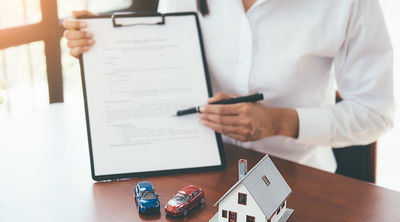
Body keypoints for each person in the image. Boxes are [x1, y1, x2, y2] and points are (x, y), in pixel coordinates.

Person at [63, 0, 395, 172]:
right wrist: (103, 45)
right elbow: (165, 76)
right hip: (199, 173)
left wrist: (281, 121)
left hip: (300, 180)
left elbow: (375, 113)